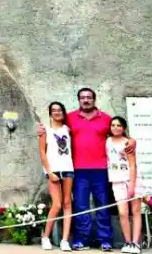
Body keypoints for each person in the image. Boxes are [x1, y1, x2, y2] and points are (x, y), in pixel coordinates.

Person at [37, 88, 137, 252]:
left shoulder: (105, 118)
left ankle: (105, 240)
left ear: (94, 99)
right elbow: (53, 126)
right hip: (78, 169)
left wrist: (132, 139)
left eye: (89, 97)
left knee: (102, 205)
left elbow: (120, 133)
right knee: (80, 206)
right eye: (82, 98)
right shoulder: (69, 118)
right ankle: (81, 240)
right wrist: (41, 130)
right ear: (78, 100)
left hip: (101, 169)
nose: (86, 100)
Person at [39, 102, 73, 252]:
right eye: (54, 110)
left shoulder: (68, 129)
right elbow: (42, 152)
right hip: (53, 170)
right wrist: (49, 171)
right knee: (57, 204)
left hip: (68, 169)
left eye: (59, 110)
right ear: (50, 113)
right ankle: (45, 237)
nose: (57, 112)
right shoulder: (44, 130)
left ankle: (65, 240)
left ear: (63, 112)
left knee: (67, 203)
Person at [107, 117, 144, 254]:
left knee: (135, 211)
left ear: (123, 128)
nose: (115, 128)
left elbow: (132, 165)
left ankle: (136, 243)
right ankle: (127, 242)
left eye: (118, 125)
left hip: (131, 179)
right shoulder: (107, 141)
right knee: (122, 212)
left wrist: (132, 186)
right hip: (117, 181)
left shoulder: (128, 142)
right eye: (113, 125)